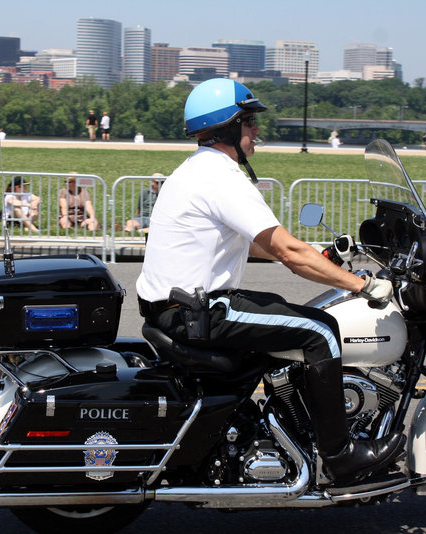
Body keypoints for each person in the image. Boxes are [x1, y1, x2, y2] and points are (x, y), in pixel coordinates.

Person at [135, 78, 403, 484]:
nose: (256, 131)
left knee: (281, 309)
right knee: (320, 329)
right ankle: (340, 455)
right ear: (227, 126)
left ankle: (291, 428)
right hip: (200, 312)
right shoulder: (222, 178)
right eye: (249, 122)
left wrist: (325, 258)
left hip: (176, 308)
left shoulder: (194, 171)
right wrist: (361, 285)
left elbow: (255, 243)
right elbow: (286, 253)